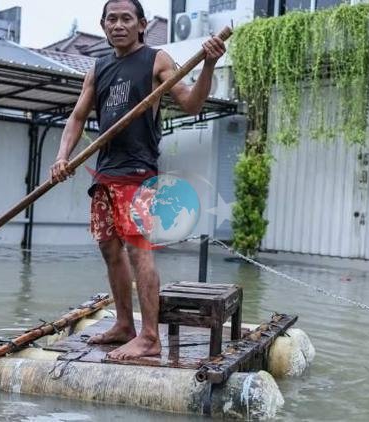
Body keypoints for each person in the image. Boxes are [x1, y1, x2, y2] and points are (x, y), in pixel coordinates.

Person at [50, 0, 226, 360]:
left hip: (137, 171)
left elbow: (192, 104)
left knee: (138, 249)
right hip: (105, 172)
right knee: (109, 248)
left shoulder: (156, 60)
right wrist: (61, 157)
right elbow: (77, 117)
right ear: (103, 25)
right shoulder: (98, 68)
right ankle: (124, 325)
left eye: (126, 19)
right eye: (111, 19)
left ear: (142, 25)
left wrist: (208, 64)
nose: (118, 25)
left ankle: (149, 337)